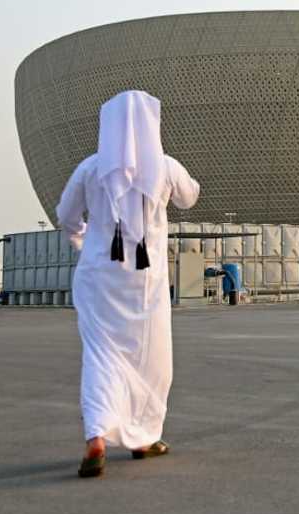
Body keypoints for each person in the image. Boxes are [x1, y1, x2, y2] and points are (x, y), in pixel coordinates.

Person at [56, 90, 200, 479]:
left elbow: (66, 214)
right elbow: (190, 198)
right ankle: (143, 437)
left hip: (99, 277)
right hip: (145, 282)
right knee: (151, 359)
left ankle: (96, 438)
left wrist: (82, 239)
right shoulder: (166, 167)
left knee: (102, 356)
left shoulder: (90, 168)